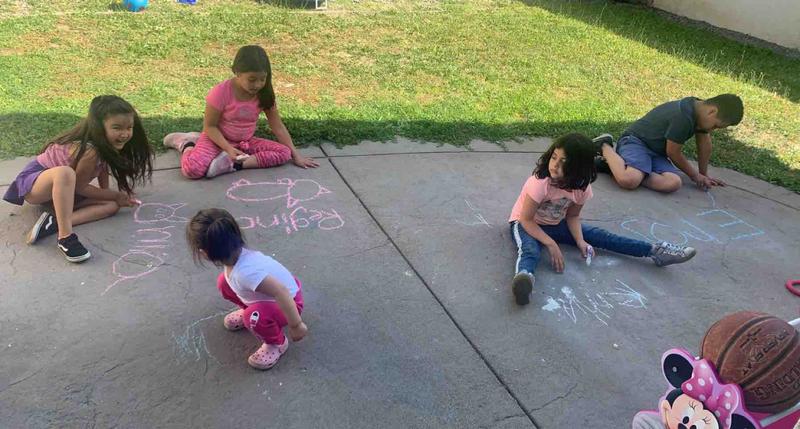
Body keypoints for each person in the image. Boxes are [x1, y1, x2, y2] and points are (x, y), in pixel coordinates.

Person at [509, 133, 696, 305]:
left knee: (602, 236)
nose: (554, 165)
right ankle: (525, 279)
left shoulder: (581, 187)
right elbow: (526, 219)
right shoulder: (540, 182)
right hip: (525, 224)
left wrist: (580, 241)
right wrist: (550, 244)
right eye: (554, 157)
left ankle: (656, 251)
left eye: (563, 161)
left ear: (579, 167)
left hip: (557, 224)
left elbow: (573, 216)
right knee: (530, 250)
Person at [3, 95, 153, 262]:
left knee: (112, 206)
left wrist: (109, 194)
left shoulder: (105, 146)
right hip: (35, 184)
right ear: (99, 127)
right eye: (117, 128)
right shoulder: (90, 150)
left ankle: (53, 222)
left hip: (62, 192)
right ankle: (65, 237)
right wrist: (116, 195)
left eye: (129, 127)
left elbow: (103, 168)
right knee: (65, 173)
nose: (125, 134)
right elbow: (80, 187)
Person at [164, 45, 318, 179]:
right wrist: (228, 148)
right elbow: (210, 126)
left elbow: (277, 126)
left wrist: (297, 156)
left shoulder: (264, 94)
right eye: (252, 79)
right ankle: (187, 143)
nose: (257, 84)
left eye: (262, 79)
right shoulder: (221, 92)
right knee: (193, 170)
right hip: (216, 139)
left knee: (284, 153)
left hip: (245, 142)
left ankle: (233, 165)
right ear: (237, 72)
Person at [186, 208, 308, 370]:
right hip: (272, 297)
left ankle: (277, 343)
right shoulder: (236, 258)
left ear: (205, 253)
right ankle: (250, 311)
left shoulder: (246, 272)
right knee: (224, 282)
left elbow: (282, 292)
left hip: (291, 303)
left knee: (254, 316)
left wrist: (296, 325)